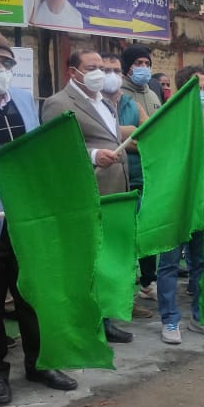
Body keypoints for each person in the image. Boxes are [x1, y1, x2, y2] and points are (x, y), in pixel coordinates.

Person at [0, 27, 79, 406]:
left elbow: (37, 155)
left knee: (32, 296)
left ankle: (40, 364)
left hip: (27, 218)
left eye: (5, 62)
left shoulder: (24, 101)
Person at [40, 48, 132, 344]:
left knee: (106, 261)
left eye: (102, 68)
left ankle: (104, 319)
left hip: (115, 192)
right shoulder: (58, 103)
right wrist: (93, 155)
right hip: (85, 194)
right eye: (92, 68)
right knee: (84, 262)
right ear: (72, 72)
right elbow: (56, 150)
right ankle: (81, 324)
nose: (100, 74)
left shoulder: (106, 103)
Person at [157, 64, 204, 344]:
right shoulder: (165, 119)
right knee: (169, 263)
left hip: (203, 203)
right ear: (186, 89)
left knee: (201, 261)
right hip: (174, 203)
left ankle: (200, 317)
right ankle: (170, 320)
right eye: (202, 87)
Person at [119, 44, 163, 304]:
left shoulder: (154, 92)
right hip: (129, 174)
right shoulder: (121, 96)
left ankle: (148, 280)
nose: (143, 68)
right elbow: (121, 139)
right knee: (127, 233)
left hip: (152, 175)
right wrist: (147, 143)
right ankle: (126, 287)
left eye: (147, 63)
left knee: (148, 230)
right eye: (138, 63)